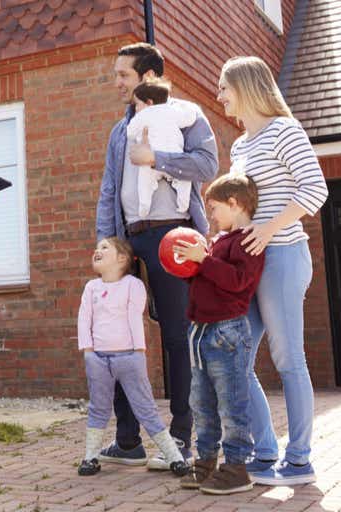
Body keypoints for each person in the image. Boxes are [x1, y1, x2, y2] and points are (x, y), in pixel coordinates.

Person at [96, 42, 219, 470]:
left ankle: (183, 436)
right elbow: (110, 189)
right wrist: (107, 244)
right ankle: (127, 440)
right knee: (119, 339)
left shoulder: (187, 116)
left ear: (147, 77)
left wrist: (157, 158)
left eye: (123, 75)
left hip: (173, 235)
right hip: (129, 241)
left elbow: (207, 165)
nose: (117, 83)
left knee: (176, 337)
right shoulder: (118, 131)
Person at [216, 56, 328, 486]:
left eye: (225, 87)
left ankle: (298, 459)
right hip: (249, 263)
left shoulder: (285, 130)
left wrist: (267, 229)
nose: (221, 95)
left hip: (282, 256)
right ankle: (265, 451)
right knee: (235, 359)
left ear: (245, 87)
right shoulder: (240, 145)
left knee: (288, 359)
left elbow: (314, 189)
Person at [173, 173, 264, 494]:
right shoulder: (216, 242)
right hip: (199, 331)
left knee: (231, 402)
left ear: (234, 203)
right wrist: (189, 267)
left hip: (227, 332)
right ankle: (205, 461)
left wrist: (205, 260)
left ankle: (237, 466)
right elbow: (205, 280)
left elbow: (239, 282)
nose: (211, 216)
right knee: (202, 402)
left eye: (213, 208)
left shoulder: (248, 240)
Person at [76, 237, 189, 478]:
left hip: (129, 357)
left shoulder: (132, 285)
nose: (97, 250)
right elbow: (84, 319)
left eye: (105, 247)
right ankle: (90, 457)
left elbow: (135, 319)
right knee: (99, 407)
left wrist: (139, 352)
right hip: (98, 359)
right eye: (97, 247)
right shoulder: (91, 288)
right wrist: (88, 351)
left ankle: (174, 457)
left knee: (145, 408)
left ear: (122, 258)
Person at [127, 78, 197, 217]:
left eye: (137, 104)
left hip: (151, 160)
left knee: (144, 182)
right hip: (174, 159)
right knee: (184, 181)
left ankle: (144, 207)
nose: (136, 108)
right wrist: (188, 107)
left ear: (149, 102)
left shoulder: (143, 114)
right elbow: (189, 118)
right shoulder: (172, 110)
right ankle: (183, 204)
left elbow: (130, 132)